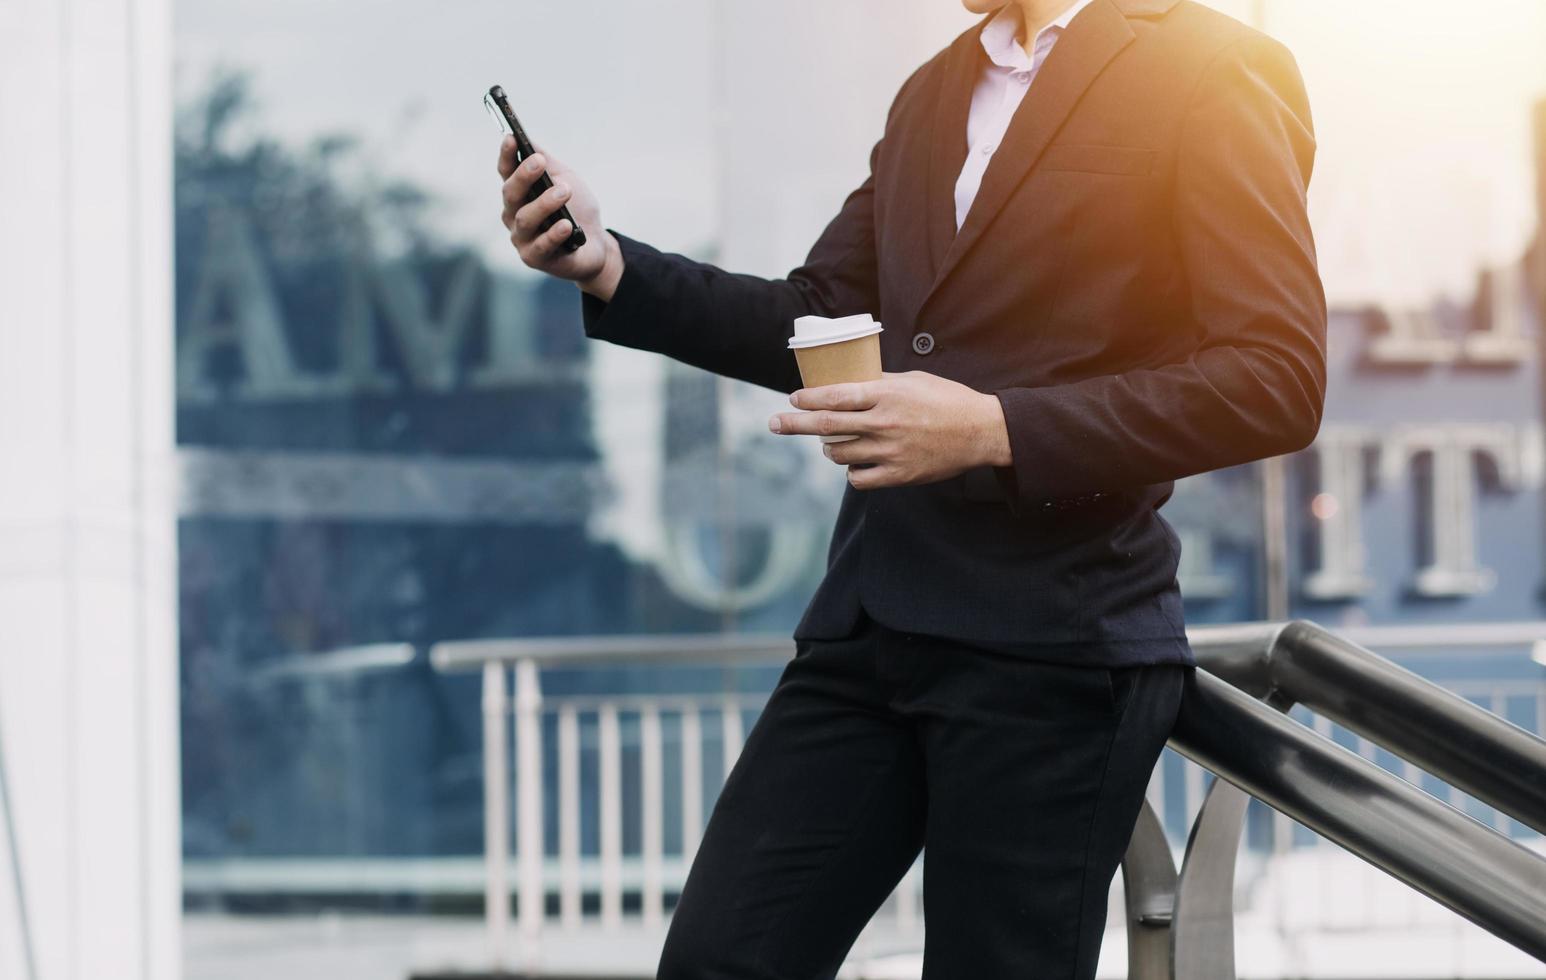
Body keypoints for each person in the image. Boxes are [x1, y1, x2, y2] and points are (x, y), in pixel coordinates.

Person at [496, 0, 1325, 975]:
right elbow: (815, 318)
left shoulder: (1215, 66)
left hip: (1052, 644)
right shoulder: (936, 90)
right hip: (871, 626)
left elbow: (1274, 379)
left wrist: (993, 428)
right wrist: (610, 265)